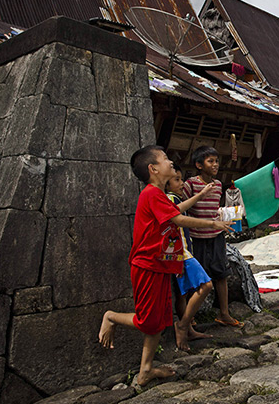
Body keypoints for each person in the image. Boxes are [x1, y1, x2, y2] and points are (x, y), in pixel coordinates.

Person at [98, 146, 232, 386]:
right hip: (147, 266)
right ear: (153, 169)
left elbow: (176, 210)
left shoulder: (159, 194)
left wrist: (200, 200)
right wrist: (212, 222)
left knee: (159, 321)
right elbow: (177, 219)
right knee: (148, 320)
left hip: (162, 265)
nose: (170, 162)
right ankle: (111, 317)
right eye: (165, 159)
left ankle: (145, 370)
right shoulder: (150, 193)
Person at [183, 146, 243, 328]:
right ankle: (190, 316)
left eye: (216, 161)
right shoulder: (190, 184)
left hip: (216, 236)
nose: (215, 164)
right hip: (197, 237)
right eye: (210, 161)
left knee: (221, 274)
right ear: (199, 165)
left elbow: (213, 209)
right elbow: (183, 208)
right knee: (196, 276)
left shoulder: (218, 185)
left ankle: (224, 313)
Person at [165, 164, 216, 351]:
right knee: (206, 285)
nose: (181, 183)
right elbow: (175, 213)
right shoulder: (170, 199)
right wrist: (200, 196)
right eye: (176, 180)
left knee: (183, 294)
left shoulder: (173, 198)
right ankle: (183, 325)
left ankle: (188, 327)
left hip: (179, 252)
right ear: (167, 185)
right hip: (182, 254)